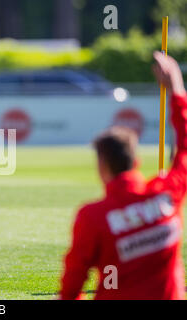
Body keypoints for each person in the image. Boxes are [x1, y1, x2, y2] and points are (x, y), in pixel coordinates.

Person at [60, 52, 187, 300]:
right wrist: (177, 88)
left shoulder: (93, 216)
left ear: (102, 166)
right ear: (137, 161)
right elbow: (184, 147)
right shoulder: (167, 194)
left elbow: (72, 284)